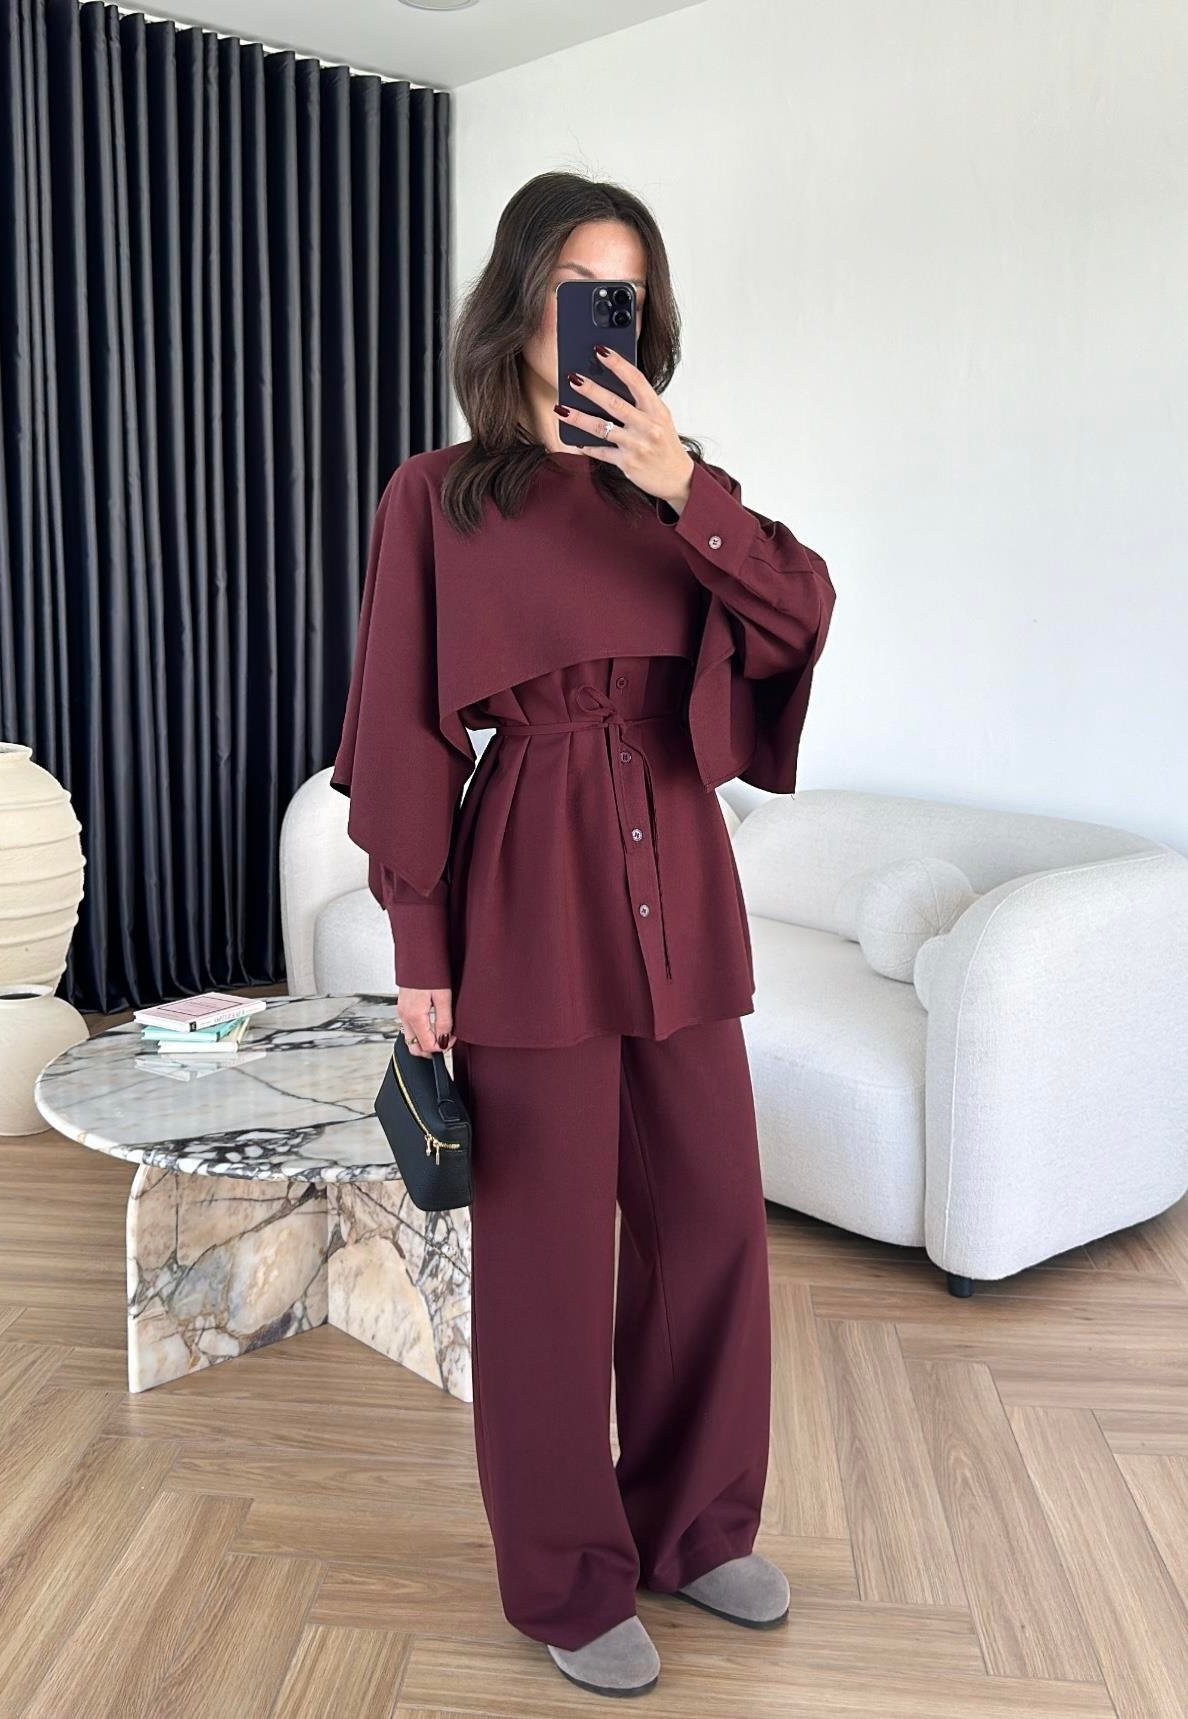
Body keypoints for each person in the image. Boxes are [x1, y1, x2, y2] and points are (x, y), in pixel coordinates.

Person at [331, 170, 836, 1700]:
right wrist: (421, 950)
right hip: (530, 885)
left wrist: (686, 489)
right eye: (577, 290)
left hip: (680, 872)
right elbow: (403, 735)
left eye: (627, 294)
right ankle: (565, 1577)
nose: (601, 321)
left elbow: (801, 616)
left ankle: (697, 1528)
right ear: (524, 309)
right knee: (546, 1259)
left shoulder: (683, 491)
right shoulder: (437, 497)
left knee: (712, 1226)